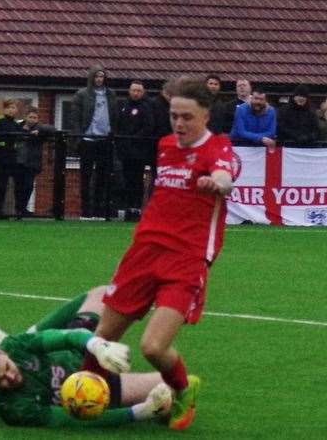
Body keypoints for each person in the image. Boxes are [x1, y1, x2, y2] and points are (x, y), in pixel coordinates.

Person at [80, 77, 235, 430]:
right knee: (102, 340)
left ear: (206, 116)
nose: (179, 124)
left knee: (153, 346)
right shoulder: (165, 145)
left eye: (187, 118)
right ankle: (81, 394)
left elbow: (226, 176)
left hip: (186, 259)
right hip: (144, 251)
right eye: (174, 116)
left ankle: (183, 389)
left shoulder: (219, 148)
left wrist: (217, 182)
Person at [0, 286, 172, 428]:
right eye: (0, 381)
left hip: (77, 352)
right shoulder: (13, 409)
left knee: (102, 292)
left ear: (3, 353)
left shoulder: (14, 348)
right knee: (168, 389)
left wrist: (97, 346)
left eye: (7, 367)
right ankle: (29, 334)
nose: (10, 377)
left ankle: (28, 333)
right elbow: (71, 420)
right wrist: (137, 413)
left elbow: (64, 337)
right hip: (91, 387)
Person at [69, 65, 118, 218]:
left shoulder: (111, 94)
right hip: (88, 139)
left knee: (103, 177)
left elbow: (115, 116)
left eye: (101, 77)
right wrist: (78, 136)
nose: (99, 79)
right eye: (96, 77)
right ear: (92, 78)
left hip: (105, 140)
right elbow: (75, 118)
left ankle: (99, 210)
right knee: (86, 176)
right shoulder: (82, 94)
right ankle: (85, 211)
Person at [115, 81, 155, 219]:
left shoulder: (146, 107)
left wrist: (135, 138)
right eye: (133, 90)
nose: (136, 93)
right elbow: (118, 124)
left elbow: (149, 127)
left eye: (138, 91)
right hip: (125, 151)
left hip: (139, 152)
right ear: (129, 91)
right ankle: (127, 208)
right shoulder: (123, 106)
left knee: (138, 180)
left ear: (142, 92)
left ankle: (137, 208)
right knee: (126, 179)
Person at [0, 99, 27, 218]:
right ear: (4, 109)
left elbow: (22, 136)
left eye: (14, 108)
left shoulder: (16, 124)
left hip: (12, 158)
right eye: (9, 107)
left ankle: (17, 210)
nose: (11, 110)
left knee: (11, 185)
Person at [17, 107, 55, 216]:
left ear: (38, 119)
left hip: (32, 163)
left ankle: (22, 208)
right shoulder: (18, 126)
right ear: (25, 117)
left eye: (35, 117)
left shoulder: (40, 128)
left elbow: (53, 129)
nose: (32, 119)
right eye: (30, 117)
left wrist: (40, 131)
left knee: (28, 186)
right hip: (18, 161)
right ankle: (19, 208)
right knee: (18, 186)